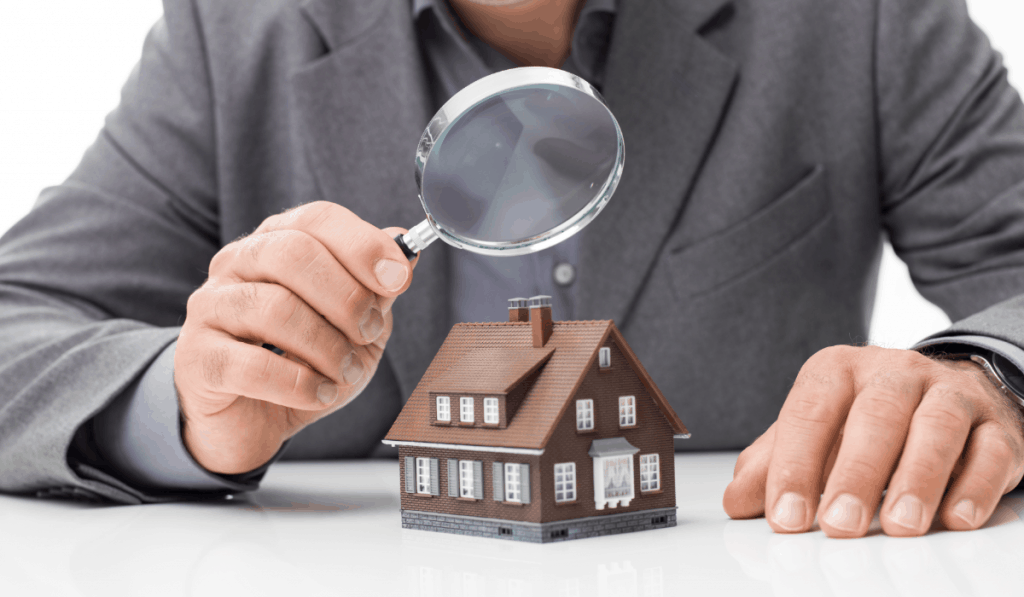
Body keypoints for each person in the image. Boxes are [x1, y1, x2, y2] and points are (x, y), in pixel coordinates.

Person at [1, 0, 1023, 540]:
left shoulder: (865, 18)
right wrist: (184, 405)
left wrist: (985, 374)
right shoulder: (233, 33)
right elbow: (16, 323)